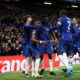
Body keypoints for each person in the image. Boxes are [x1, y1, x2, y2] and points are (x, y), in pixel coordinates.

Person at [49, 10, 75, 76]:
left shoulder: (61, 18)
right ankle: (70, 70)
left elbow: (57, 26)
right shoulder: (70, 20)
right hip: (70, 38)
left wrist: (50, 29)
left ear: (61, 14)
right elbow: (73, 30)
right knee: (69, 54)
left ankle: (68, 68)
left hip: (64, 37)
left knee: (59, 53)